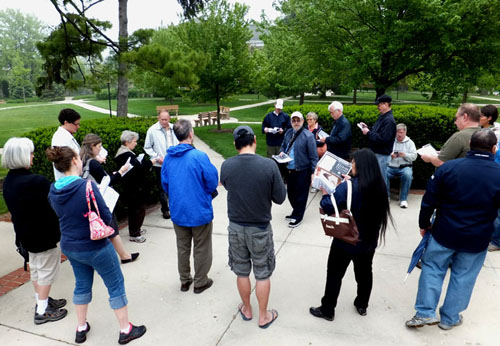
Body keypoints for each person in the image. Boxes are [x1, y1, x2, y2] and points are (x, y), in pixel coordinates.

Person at [46, 146, 146, 344]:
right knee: (115, 283)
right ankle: (125, 329)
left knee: (81, 285)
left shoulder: (54, 189)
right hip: (95, 246)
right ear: (75, 161)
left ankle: (81, 327)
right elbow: (107, 217)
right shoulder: (87, 187)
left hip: (70, 246)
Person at [406, 129, 500, 330]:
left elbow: (429, 200)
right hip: (478, 238)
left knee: (432, 268)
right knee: (464, 276)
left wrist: (424, 224)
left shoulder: (448, 169)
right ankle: (450, 318)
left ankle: (424, 313)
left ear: (470, 145)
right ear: (494, 149)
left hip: (444, 232)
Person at [309, 149, 392, 321]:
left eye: (353, 163)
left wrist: (325, 191)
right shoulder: (380, 186)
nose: (351, 166)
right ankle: (362, 304)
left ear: (360, 165)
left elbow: (328, 206)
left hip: (345, 240)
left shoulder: (348, 187)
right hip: (368, 241)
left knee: (334, 274)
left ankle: (328, 309)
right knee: (364, 273)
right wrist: (349, 183)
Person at [220, 125, 286, 329]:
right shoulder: (269, 165)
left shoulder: (227, 165)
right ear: (254, 140)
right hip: (260, 228)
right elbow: (280, 198)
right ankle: (264, 316)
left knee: (241, 271)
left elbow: (229, 186)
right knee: (262, 272)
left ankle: (247, 309)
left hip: (236, 226)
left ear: (234, 144)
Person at [2, 137, 67, 325]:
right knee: (46, 271)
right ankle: (42, 310)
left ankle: (43, 299)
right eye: (30, 154)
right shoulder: (36, 181)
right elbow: (54, 204)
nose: (33, 156)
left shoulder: (9, 181)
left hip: (24, 235)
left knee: (37, 269)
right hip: (43, 234)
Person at [161, 119, 218, 294]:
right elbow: (212, 181)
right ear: (191, 134)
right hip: (198, 210)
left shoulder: (168, 158)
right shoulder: (199, 157)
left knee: (183, 247)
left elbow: (165, 184)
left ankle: (185, 280)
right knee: (202, 247)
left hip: (179, 210)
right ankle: (200, 281)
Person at [80, 134, 138, 264]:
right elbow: (107, 181)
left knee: (104, 229)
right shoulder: (93, 163)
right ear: (92, 146)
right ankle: (124, 256)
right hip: (101, 200)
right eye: (99, 146)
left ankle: (123, 255)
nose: (101, 149)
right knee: (111, 227)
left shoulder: (82, 160)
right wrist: (121, 172)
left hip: (90, 198)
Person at [114, 131, 158, 243]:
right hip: (134, 188)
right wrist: (150, 162)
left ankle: (136, 229)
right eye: (134, 141)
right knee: (137, 210)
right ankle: (134, 233)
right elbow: (139, 170)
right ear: (127, 142)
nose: (136, 143)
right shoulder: (126, 155)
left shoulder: (124, 153)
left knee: (135, 209)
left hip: (132, 187)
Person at [280, 111, 318, 227]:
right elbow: (283, 145)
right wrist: (281, 152)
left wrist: (313, 172)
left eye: (298, 120)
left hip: (303, 170)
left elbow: (313, 156)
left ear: (302, 121)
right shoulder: (288, 133)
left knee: (301, 195)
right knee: (291, 194)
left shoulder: (308, 135)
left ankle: (298, 216)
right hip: (289, 169)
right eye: (294, 120)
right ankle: (295, 212)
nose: (296, 123)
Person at [144, 110, 179, 219]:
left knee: (176, 186)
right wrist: (157, 158)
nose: (164, 121)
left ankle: (176, 208)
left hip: (175, 163)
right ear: (158, 118)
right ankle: (165, 209)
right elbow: (147, 147)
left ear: (169, 118)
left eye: (166, 119)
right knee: (162, 187)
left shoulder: (175, 128)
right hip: (161, 165)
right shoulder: (152, 130)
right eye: (162, 119)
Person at [359, 94, 396, 179]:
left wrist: (368, 133)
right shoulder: (383, 116)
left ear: (386, 104)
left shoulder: (389, 120)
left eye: (379, 105)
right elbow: (377, 131)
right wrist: (367, 128)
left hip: (382, 156)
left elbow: (383, 139)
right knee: (378, 180)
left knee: (382, 181)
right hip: (377, 154)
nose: (377, 107)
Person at [386, 124, 417, 208]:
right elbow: (384, 155)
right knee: (384, 173)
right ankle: (386, 197)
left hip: (405, 166)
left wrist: (405, 155)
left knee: (407, 175)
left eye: (401, 132)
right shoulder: (391, 141)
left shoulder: (410, 143)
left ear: (405, 132)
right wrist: (390, 156)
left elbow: (414, 156)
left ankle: (403, 199)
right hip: (391, 166)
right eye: (397, 132)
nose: (399, 135)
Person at [51, 108, 82, 180]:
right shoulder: (60, 139)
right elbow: (64, 163)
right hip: (68, 180)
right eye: (76, 124)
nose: (78, 127)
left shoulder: (67, 135)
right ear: (66, 122)